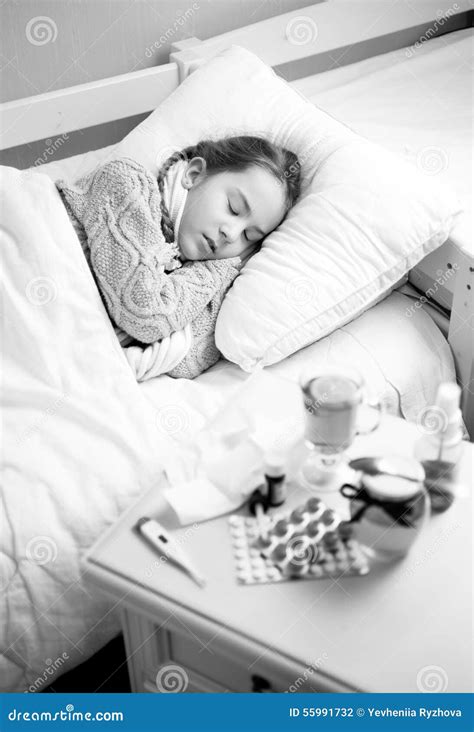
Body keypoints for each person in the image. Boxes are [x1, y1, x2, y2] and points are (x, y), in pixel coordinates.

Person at [56, 135, 301, 379]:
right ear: (194, 174)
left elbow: (187, 361)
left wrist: (225, 268)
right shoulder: (126, 182)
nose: (231, 233)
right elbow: (145, 314)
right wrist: (213, 272)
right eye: (233, 208)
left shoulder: (182, 274)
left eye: (249, 236)